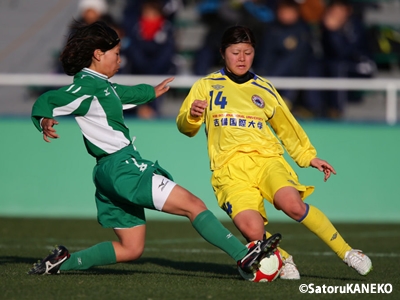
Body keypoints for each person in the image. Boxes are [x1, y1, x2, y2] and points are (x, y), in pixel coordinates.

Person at [28, 21, 281, 277]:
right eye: (116, 54)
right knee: (193, 205)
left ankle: (62, 262)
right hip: (122, 168)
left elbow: (123, 94)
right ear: (98, 54)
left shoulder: (100, 86)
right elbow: (50, 99)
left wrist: (151, 92)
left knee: (131, 248)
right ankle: (243, 255)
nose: (120, 60)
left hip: (107, 173)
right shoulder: (87, 86)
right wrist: (44, 118)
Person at [176, 25, 372, 279]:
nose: (242, 58)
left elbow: (287, 126)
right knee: (253, 230)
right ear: (223, 53)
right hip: (229, 170)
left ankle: (347, 252)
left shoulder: (264, 88)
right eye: (236, 52)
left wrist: (308, 156)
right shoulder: (206, 86)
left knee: (291, 204)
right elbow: (184, 126)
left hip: (267, 160)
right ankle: (285, 259)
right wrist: (192, 116)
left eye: (248, 52)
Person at [320, 0, 376, 118]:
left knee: (339, 67)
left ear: (348, 11)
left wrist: (333, 32)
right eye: (334, 11)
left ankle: (337, 110)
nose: (337, 14)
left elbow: (344, 52)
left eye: (340, 10)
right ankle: (314, 108)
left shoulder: (355, 26)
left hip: (362, 65)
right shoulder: (324, 27)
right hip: (339, 65)